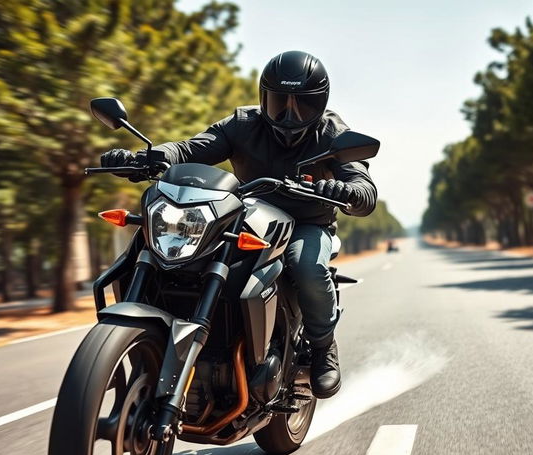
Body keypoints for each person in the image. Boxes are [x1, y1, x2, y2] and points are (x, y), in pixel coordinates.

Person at [100, 50, 378, 398]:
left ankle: (323, 348)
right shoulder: (243, 124)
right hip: (246, 215)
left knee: (306, 265)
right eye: (279, 102)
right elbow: (192, 148)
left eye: (302, 104)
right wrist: (151, 156)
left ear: (320, 103)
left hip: (307, 222)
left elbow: (363, 186)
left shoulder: (332, 133)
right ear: (263, 98)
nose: (290, 114)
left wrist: (347, 190)